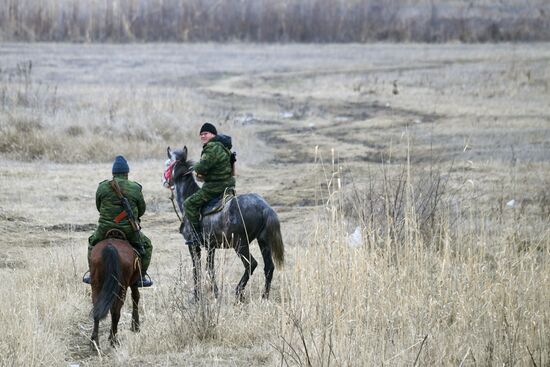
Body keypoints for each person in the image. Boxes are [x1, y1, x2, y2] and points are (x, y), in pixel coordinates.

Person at [83, 155, 153, 287]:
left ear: (113, 173)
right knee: (147, 246)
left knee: (92, 243)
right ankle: (141, 277)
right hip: (129, 229)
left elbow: (99, 207)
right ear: (127, 173)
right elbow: (142, 210)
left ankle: (92, 273)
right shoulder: (135, 188)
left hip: (104, 228)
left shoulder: (102, 187)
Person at [184, 122, 235, 245]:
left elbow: (202, 167)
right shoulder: (223, 147)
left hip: (214, 187)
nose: (202, 136)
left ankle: (197, 236)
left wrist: (193, 166)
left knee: (189, 204)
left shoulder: (212, 147)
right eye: (201, 134)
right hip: (228, 186)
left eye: (205, 133)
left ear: (213, 134)